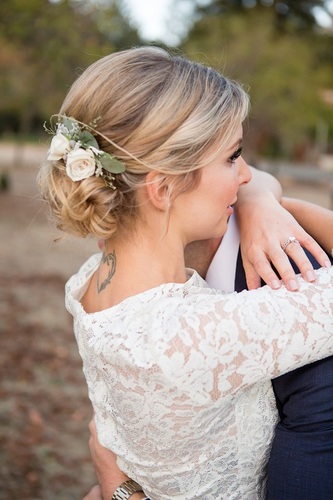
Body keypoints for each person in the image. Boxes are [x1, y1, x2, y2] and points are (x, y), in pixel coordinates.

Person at [38, 46, 333, 499]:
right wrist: (289, 208)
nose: (248, 175)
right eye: (232, 157)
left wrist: (259, 202)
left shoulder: (88, 285)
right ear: (163, 187)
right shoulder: (201, 335)